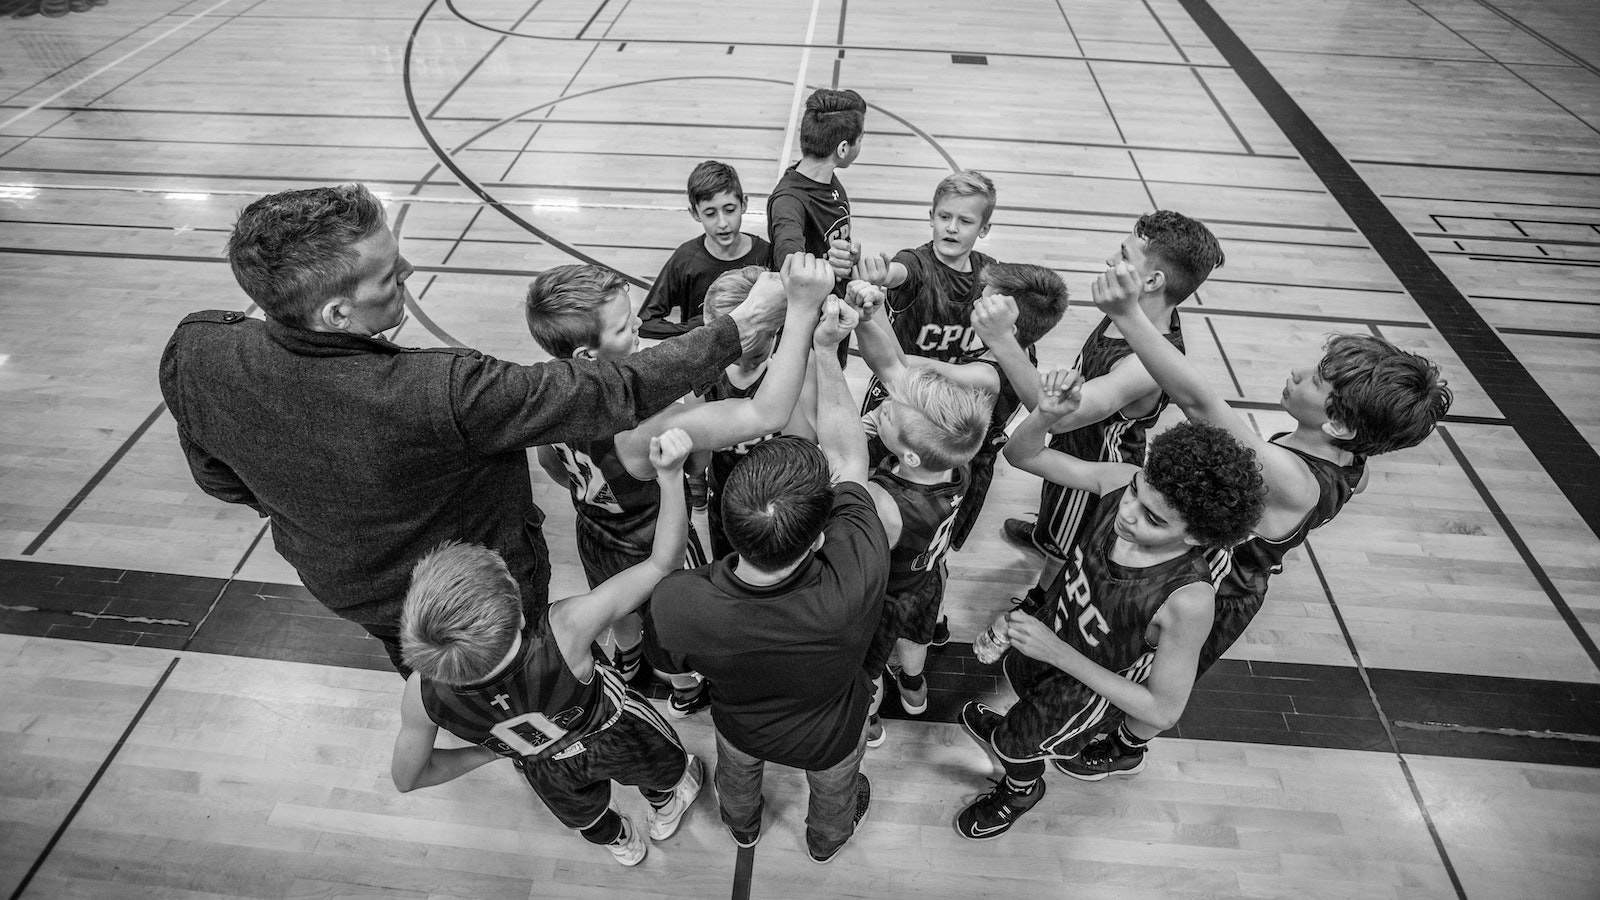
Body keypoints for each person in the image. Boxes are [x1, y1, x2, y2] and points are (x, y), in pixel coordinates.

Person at [159, 184, 785, 675]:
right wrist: (740, 327)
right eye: (388, 272)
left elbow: (220, 480)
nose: (406, 269)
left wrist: (318, 502)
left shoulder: (197, 348)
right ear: (336, 311)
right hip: (489, 589)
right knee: (534, 684)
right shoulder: (439, 392)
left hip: (354, 590)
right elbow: (612, 392)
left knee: (445, 684)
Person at [1053, 264, 1452, 781]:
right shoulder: (1355, 466)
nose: (1296, 372)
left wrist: (1130, 316)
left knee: (1156, 680)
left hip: (1221, 589)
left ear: (1338, 423)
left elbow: (1198, 401)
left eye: (1315, 379)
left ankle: (1128, 745)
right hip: (1206, 568)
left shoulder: (1295, 481)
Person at [956, 375, 1264, 841]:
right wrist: (1046, 415)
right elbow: (1022, 455)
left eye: (1153, 518)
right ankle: (1020, 730)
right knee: (1021, 699)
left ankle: (1020, 788)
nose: (1129, 511)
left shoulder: (1188, 600)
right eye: (1139, 490)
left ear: (1197, 536)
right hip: (1053, 639)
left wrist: (1057, 652)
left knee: (1018, 747)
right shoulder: (1120, 482)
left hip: (1085, 688)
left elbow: (1162, 711)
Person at [526, 254, 834, 713]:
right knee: (675, 630)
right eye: (625, 328)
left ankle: (627, 658)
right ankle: (686, 688)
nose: (638, 331)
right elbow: (763, 414)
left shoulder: (543, 393)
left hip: (595, 532)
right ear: (587, 355)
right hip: (653, 542)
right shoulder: (643, 428)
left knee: (620, 613)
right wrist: (804, 313)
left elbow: (550, 463)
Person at [390, 428, 703, 867]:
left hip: (544, 764)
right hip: (614, 729)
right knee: (659, 772)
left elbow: (408, 778)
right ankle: (666, 808)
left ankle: (622, 843)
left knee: (587, 817)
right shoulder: (565, 628)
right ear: (519, 614)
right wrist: (670, 477)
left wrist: (492, 749)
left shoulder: (421, 694)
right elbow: (662, 563)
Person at [644, 299, 887, 864]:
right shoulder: (855, 578)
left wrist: (669, 480)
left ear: (728, 520)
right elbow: (851, 459)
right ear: (819, 538)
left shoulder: (680, 602)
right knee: (834, 796)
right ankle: (825, 842)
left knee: (737, 778)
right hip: (831, 733)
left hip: (741, 727)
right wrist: (825, 351)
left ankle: (742, 825)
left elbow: (669, 666)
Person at [1002, 210, 1224, 610]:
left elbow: (1054, 413)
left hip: (1095, 465)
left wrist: (1003, 341)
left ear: (1152, 281)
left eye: (1122, 256)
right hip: (1074, 449)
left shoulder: (1144, 363)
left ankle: (1040, 601)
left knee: (1066, 547)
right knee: (1055, 525)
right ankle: (1046, 533)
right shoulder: (1132, 313)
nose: (1109, 260)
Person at [856, 174, 1067, 554]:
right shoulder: (1015, 351)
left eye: (986, 300)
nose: (978, 300)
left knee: (901, 539)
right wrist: (883, 279)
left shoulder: (987, 374)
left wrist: (869, 311)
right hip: (940, 440)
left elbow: (895, 364)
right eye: (944, 217)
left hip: (937, 446)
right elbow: (904, 269)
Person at [768, 87, 867, 338]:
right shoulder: (789, 202)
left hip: (834, 313)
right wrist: (830, 264)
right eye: (861, 138)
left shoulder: (827, 179)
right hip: (806, 333)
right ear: (843, 149)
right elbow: (791, 268)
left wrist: (847, 258)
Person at [637, 160, 772, 340]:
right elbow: (646, 323)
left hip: (755, 359)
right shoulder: (685, 259)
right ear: (694, 214)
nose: (722, 223)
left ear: (744, 204)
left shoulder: (766, 254)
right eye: (710, 214)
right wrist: (700, 328)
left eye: (730, 210)